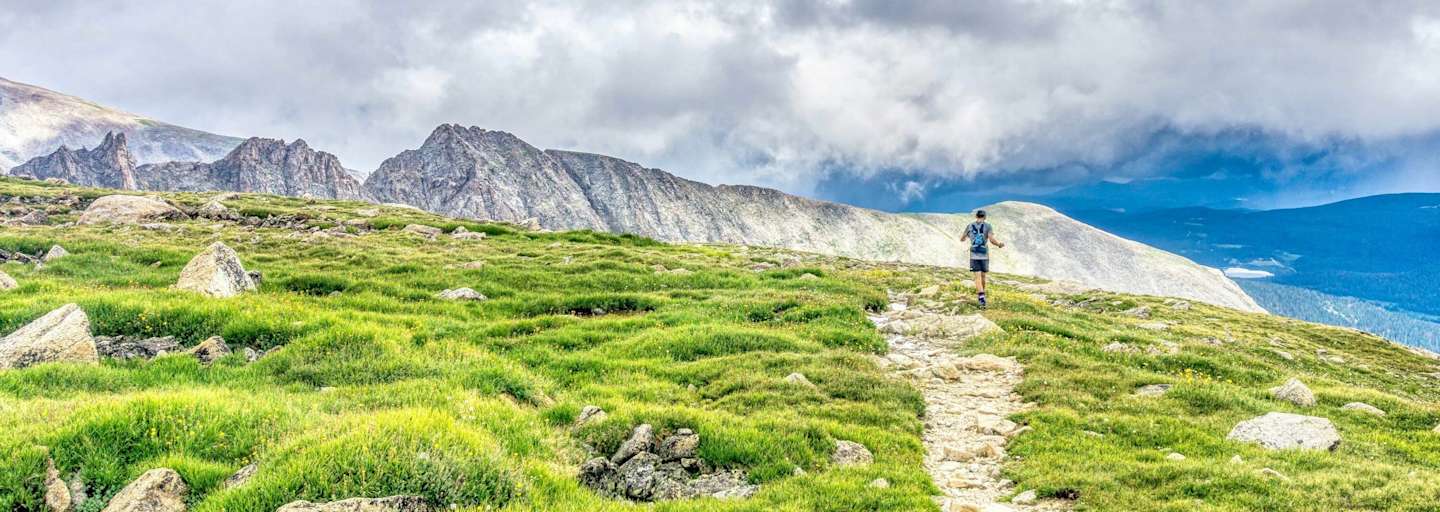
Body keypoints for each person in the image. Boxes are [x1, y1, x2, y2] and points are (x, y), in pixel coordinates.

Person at [960, 209, 1004, 308]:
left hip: (974, 254)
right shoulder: (988, 226)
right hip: (984, 254)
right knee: (983, 276)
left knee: (977, 276)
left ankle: (981, 297)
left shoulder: (970, 226)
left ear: (976, 216)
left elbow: (962, 239)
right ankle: (982, 296)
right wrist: (999, 244)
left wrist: (967, 237)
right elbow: (992, 240)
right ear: (985, 217)